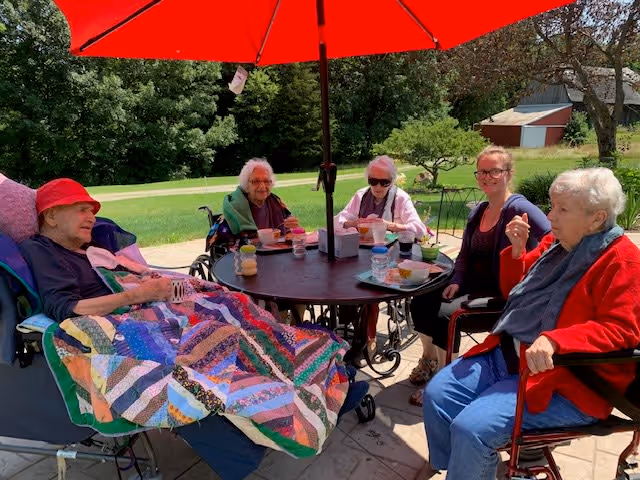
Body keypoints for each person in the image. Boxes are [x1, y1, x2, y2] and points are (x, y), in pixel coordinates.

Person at [19, 177, 369, 480]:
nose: (91, 216)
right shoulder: (42, 250)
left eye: (91, 209)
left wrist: (149, 284)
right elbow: (70, 309)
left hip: (146, 305)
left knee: (236, 308)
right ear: (50, 215)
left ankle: (328, 377)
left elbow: (119, 278)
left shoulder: (86, 250)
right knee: (217, 339)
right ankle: (284, 411)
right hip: (122, 324)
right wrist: (144, 293)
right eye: (81, 208)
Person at [420, 167, 640, 480]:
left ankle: (469, 460)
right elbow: (515, 291)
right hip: (512, 355)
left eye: (562, 209)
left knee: (471, 429)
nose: (551, 217)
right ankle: (454, 464)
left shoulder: (622, 260)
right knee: (438, 395)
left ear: (596, 218)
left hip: (566, 380)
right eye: (552, 207)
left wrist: (556, 341)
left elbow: (621, 329)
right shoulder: (557, 242)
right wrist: (519, 251)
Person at [407, 146, 550, 406]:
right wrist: (456, 280)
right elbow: (463, 256)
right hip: (472, 286)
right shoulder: (478, 212)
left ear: (508, 173)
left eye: (494, 171)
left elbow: (553, 236)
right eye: (482, 171)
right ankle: (428, 360)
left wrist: (530, 260)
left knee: (445, 314)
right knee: (420, 298)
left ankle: (442, 380)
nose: (487, 177)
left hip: (502, 293)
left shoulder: (518, 207)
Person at [335, 155, 427, 365]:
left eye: (384, 182)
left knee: (371, 288)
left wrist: (390, 225)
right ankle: (350, 329)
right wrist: (354, 223)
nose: (377, 186)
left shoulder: (400, 198)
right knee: (342, 279)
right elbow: (339, 220)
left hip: (390, 258)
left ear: (391, 182)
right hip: (360, 254)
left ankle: (367, 339)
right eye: (372, 181)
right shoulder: (361, 195)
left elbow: (419, 229)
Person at [208, 158, 300, 249]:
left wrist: (292, 227)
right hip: (246, 259)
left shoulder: (276, 202)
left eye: (266, 181)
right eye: (255, 181)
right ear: (246, 185)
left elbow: (291, 232)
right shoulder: (233, 209)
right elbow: (221, 247)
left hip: (275, 255)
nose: (262, 186)